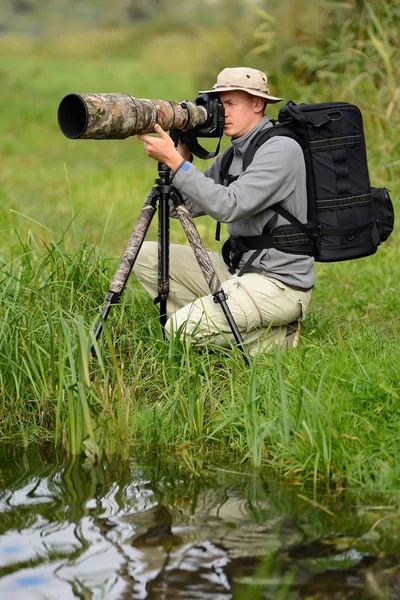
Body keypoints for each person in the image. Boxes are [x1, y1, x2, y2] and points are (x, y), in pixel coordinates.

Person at [134, 67, 315, 355]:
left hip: (279, 285)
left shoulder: (281, 149)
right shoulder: (234, 153)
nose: (223, 113)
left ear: (258, 104)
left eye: (231, 104)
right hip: (239, 271)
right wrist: (179, 160)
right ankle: (227, 320)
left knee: (179, 331)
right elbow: (178, 207)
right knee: (144, 257)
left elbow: (228, 206)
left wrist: (177, 165)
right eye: (220, 105)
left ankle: (278, 340)